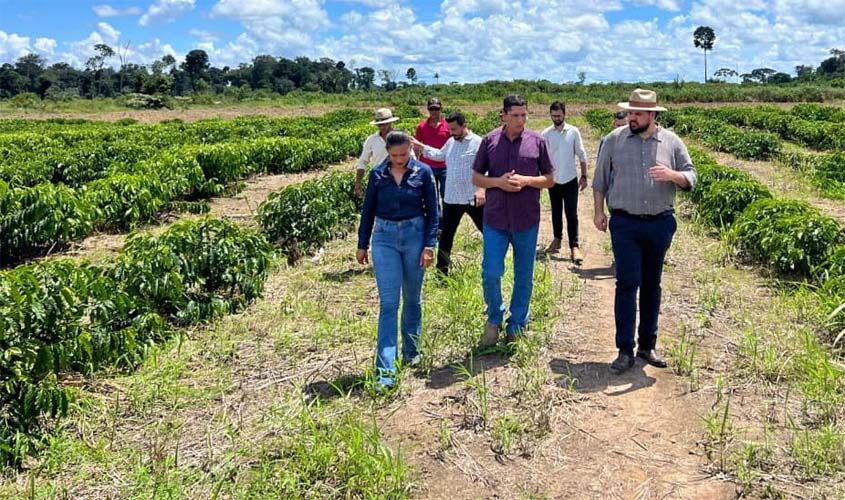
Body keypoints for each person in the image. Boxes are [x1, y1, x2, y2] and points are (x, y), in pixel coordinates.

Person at [592, 89, 696, 374]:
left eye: (638, 114)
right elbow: (599, 180)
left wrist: (672, 176)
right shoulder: (613, 140)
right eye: (630, 112)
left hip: (660, 223)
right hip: (624, 223)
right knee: (627, 284)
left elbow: (691, 176)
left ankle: (647, 345)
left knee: (652, 284)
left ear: (653, 115)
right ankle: (624, 350)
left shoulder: (671, 142)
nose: (632, 118)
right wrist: (599, 212)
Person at [356, 131, 439, 389]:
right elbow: (368, 210)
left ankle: (412, 352)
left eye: (404, 154)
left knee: (413, 298)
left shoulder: (423, 173)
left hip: (415, 236)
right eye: (395, 156)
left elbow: (433, 212)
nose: (400, 159)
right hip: (384, 238)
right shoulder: (378, 175)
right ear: (388, 153)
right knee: (389, 303)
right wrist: (362, 244)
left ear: (410, 151)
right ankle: (386, 370)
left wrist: (429, 245)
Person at [472, 95, 555, 346]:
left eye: (524, 115)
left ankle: (517, 322)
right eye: (515, 115)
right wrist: (498, 182)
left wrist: (527, 181)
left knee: (524, 274)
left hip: (526, 219)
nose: (521, 120)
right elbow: (476, 177)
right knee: (491, 271)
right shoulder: (489, 141)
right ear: (504, 115)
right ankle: (494, 318)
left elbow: (550, 179)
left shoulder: (537, 142)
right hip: (495, 218)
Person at [411, 111, 484, 275]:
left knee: (489, 231)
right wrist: (421, 146)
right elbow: (439, 155)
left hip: (472, 197)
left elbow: (486, 168)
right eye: (449, 129)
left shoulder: (478, 143)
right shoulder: (451, 142)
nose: (451, 133)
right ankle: (442, 272)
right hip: (451, 198)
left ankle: (495, 263)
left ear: (464, 126)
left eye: (454, 129)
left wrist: (482, 190)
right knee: (446, 236)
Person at [541, 101, 588, 264]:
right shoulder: (546, 133)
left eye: (559, 116)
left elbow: (581, 155)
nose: (556, 119)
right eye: (553, 116)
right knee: (555, 211)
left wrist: (584, 176)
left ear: (564, 114)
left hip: (570, 180)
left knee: (571, 213)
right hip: (553, 180)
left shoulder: (573, 132)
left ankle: (574, 246)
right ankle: (557, 239)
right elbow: (542, 157)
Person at [355, 108, 405, 197]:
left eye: (385, 124)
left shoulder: (401, 138)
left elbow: (411, 158)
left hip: (400, 178)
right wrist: (358, 181)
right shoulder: (372, 140)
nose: (382, 127)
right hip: (379, 179)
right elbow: (363, 161)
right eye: (379, 125)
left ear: (391, 123)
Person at [415, 98, 450, 203]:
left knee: (446, 195)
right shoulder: (421, 126)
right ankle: (436, 218)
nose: (434, 111)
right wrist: (416, 164)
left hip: (445, 166)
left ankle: (446, 218)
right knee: (431, 196)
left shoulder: (448, 125)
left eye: (436, 108)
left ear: (441, 109)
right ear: (428, 109)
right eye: (431, 109)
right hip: (428, 166)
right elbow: (417, 146)